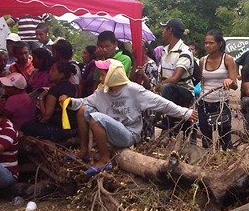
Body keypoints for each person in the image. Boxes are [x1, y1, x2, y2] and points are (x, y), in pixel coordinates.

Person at [59, 59, 198, 175]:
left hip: (129, 134)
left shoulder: (133, 90)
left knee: (96, 118)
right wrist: (68, 101)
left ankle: (104, 159)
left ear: (112, 74)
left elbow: (161, 103)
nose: (101, 78)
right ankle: (84, 150)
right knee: (82, 111)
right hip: (111, 130)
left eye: (103, 75)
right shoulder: (102, 92)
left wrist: (185, 113)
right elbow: (84, 102)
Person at [197, 30, 238, 150]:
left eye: (211, 43)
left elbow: (234, 85)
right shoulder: (202, 61)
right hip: (205, 103)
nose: (207, 46)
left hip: (221, 104)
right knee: (206, 140)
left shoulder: (228, 59)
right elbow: (202, 82)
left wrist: (229, 82)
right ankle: (208, 164)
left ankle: (225, 164)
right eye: (206, 43)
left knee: (225, 139)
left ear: (220, 44)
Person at [21, 62, 79, 142]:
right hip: (73, 127)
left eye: (53, 70)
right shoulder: (72, 87)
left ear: (61, 74)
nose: (50, 73)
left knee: (26, 127)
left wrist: (41, 97)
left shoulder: (54, 90)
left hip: (59, 130)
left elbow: (46, 116)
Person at [154, 18, 195, 133]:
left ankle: (165, 119)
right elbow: (162, 76)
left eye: (164, 29)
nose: (162, 32)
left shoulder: (184, 51)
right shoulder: (165, 50)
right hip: (168, 91)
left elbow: (175, 79)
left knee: (166, 87)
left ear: (170, 31)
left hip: (184, 92)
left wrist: (157, 87)